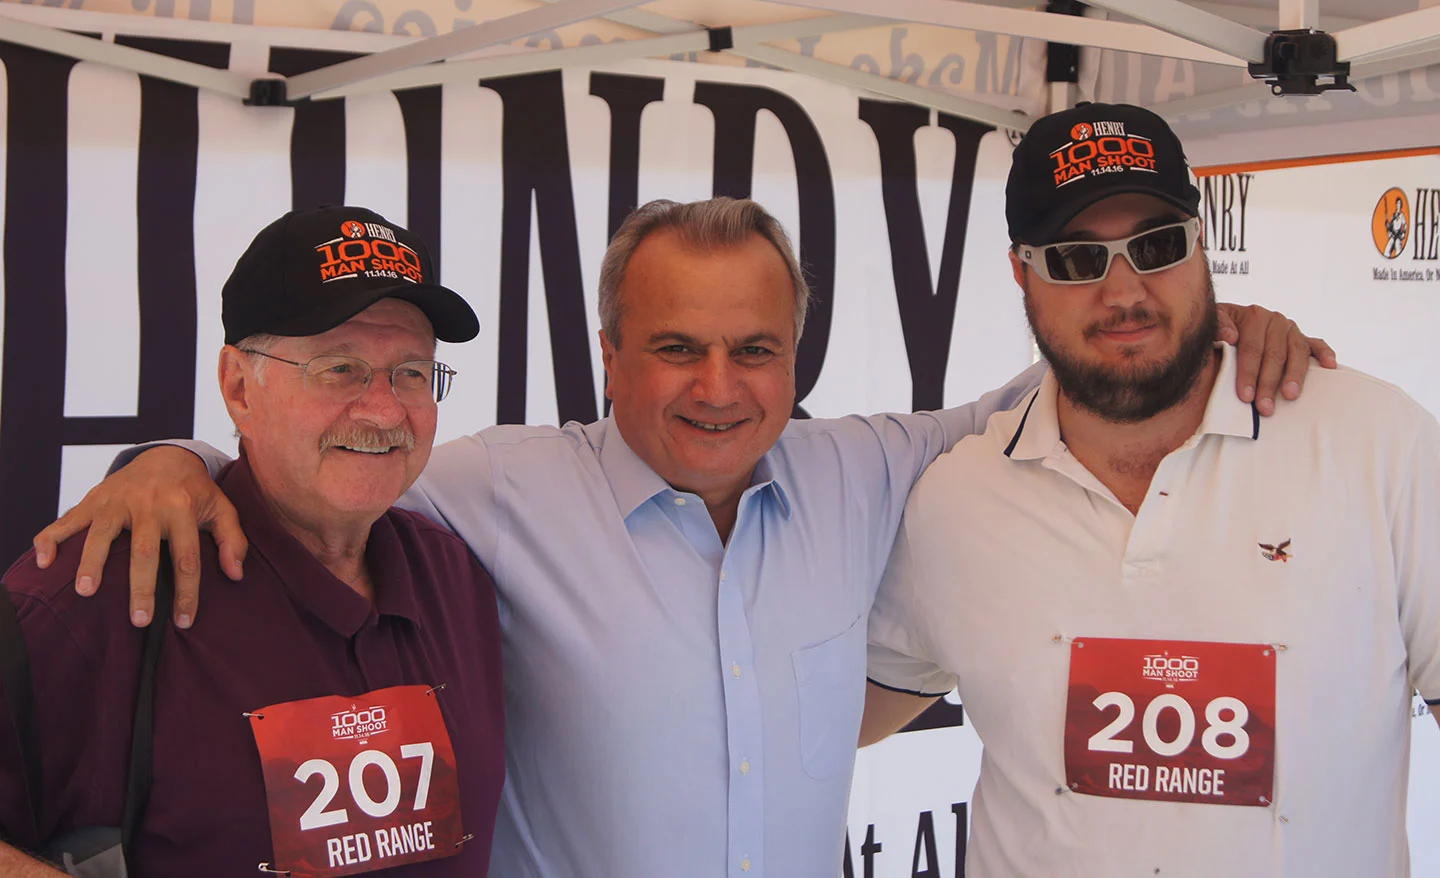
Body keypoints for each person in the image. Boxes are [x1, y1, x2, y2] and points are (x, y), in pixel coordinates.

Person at [29, 197, 1332, 877]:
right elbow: (319, 472)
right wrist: (174, 460)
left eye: (754, 348)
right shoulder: (487, 493)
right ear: (607, 353)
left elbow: (1044, 392)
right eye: (674, 347)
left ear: (797, 355)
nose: (718, 385)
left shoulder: (864, 466)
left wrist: (1215, 319)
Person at [861, 103, 1440, 876]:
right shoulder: (958, 498)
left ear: (1202, 247)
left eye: (1158, 246)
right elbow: (847, 714)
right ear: (1020, 272)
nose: (1125, 292)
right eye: (1076, 259)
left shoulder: (1376, 444)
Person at [0, 207, 505, 876]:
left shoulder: (456, 578)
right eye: (339, 368)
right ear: (239, 386)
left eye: (411, 373)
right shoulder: (92, 594)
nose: (385, 410)